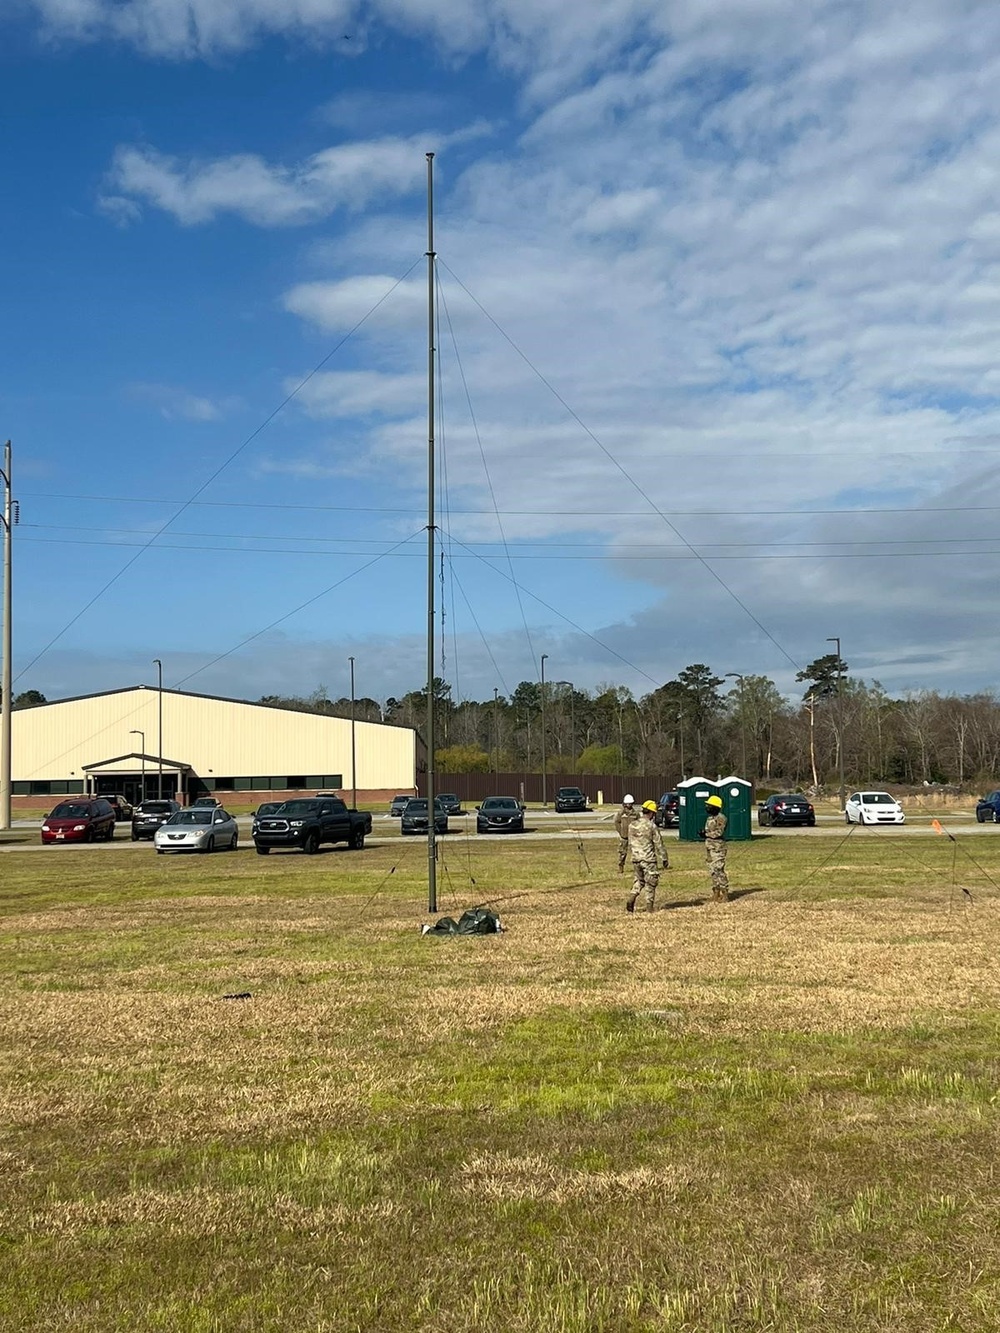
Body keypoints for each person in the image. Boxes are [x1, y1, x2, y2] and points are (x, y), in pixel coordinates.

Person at [626, 800, 667, 913]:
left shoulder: (632, 825)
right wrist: (664, 858)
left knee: (639, 880)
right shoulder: (651, 826)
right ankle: (649, 907)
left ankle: (632, 897)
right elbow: (659, 843)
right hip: (648, 859)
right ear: (652, 813)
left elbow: (630, 842)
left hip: (635, 858)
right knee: (651, 882)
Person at [701, 794, 729, 902]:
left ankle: (725, 893)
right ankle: (716, 893)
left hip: (718, 848)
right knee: (712, 870)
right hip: (709, 846)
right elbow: (710, 831)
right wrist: (704, 833)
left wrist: (706, 834)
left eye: (709, 805)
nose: (707, 807)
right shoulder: (709, 818)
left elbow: (719, 832)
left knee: (718, 869)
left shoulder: (721, 818)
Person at [614, 794, 640, 873]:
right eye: (627, 803)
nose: (628, 805)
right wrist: (620, 832)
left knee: (636, 852)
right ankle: (621, 866)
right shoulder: (621, 813)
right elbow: (616, 822)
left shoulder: (635, 813)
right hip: (624, 836)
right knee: (622, 852)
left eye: (630, 803)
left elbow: (639, 823)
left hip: (633, 836)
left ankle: (637, 868)